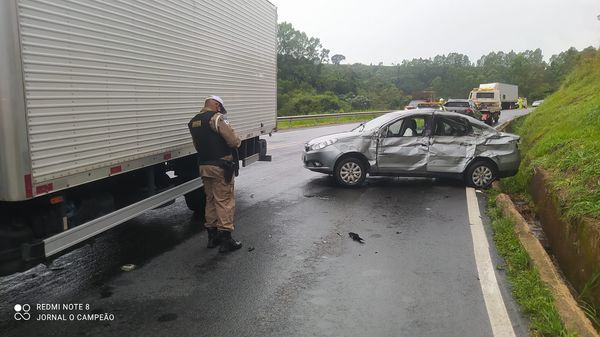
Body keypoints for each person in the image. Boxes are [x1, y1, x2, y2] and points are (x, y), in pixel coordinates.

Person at [188, 96, 242, 253]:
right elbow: (233, 141)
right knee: (224, 201)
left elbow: (197, 145)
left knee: (210, 200)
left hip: (204, 166)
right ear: (216, 105)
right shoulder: (217, 118)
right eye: (219, 107)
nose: (220, 110)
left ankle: (212, 238)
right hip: (221, 166)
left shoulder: (194, 121)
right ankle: (226, 240)